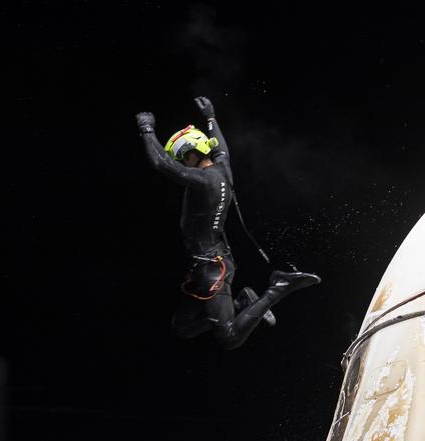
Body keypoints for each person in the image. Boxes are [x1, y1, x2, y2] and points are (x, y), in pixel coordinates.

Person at [135, 97, 319, 350]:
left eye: (182, 158)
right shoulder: (222, 169)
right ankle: (242, 303)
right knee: (183, 327)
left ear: (191, 153)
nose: (181, 164)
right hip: (210, 262)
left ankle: (278, 287)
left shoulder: (204, 181)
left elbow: (161, 164)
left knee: (229, 337)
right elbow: (221, 148)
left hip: (212, 270)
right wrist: (211, 117)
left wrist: (147, 129)